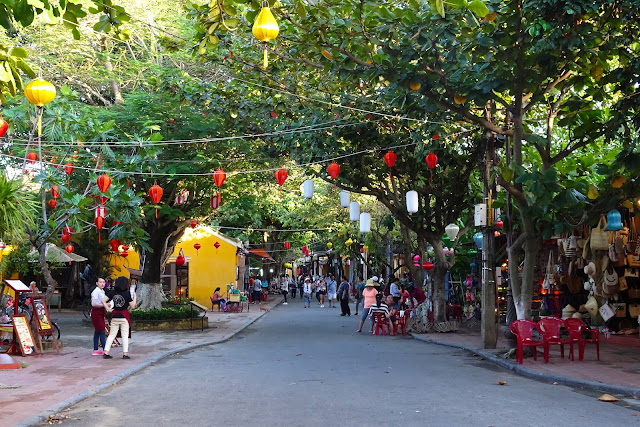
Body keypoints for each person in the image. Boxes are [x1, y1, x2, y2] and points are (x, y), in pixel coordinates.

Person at [103, 276, 136, 359]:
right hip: (124, 316)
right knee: (125, 336)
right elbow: (132, 306)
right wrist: (135, 297)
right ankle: (125, 354)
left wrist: (108, 309)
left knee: (111, 335)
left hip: (114, 316)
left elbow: (103, 301)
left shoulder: (112, 292)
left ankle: (106, 352)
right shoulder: (127, 293)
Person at [90, 277, 108, 355]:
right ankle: (105, 349)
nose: (102, 284)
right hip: (96, 313)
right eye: (100, 282)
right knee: (102, 331)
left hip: (101, 312)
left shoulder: (102, 291)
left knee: (97, 331)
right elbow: (94, 304)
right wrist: (104, 305)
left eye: (103, 282)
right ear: (97, 283)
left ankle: (95, 349)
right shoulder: (95, 292)